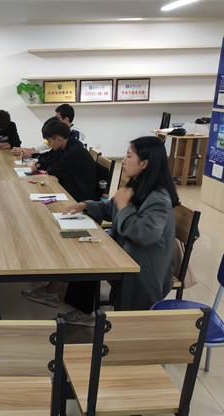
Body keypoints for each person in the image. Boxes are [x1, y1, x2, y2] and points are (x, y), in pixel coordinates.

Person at [23, 136, 178, 325]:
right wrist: (86, 205)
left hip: (145, 268)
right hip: (128, 253)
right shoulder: (138, 184)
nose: (124, 160)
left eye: (129, 156)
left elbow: (144, 234)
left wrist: (124, 206)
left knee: (91, 258)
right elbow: (111, 208)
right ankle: (83, 311)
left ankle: (90, 315)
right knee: (86, 252)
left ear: (144, 163)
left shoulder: (159, 198)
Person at [30, 120, 96, 202]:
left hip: (80, 194)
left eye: (49, 141)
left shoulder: (74, 151)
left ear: (58, 139)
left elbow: (55, 170)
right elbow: (50, 158)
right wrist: (39, 164)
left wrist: (50, 166)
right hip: (70, 185)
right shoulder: (64, 145)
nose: (49, 144)